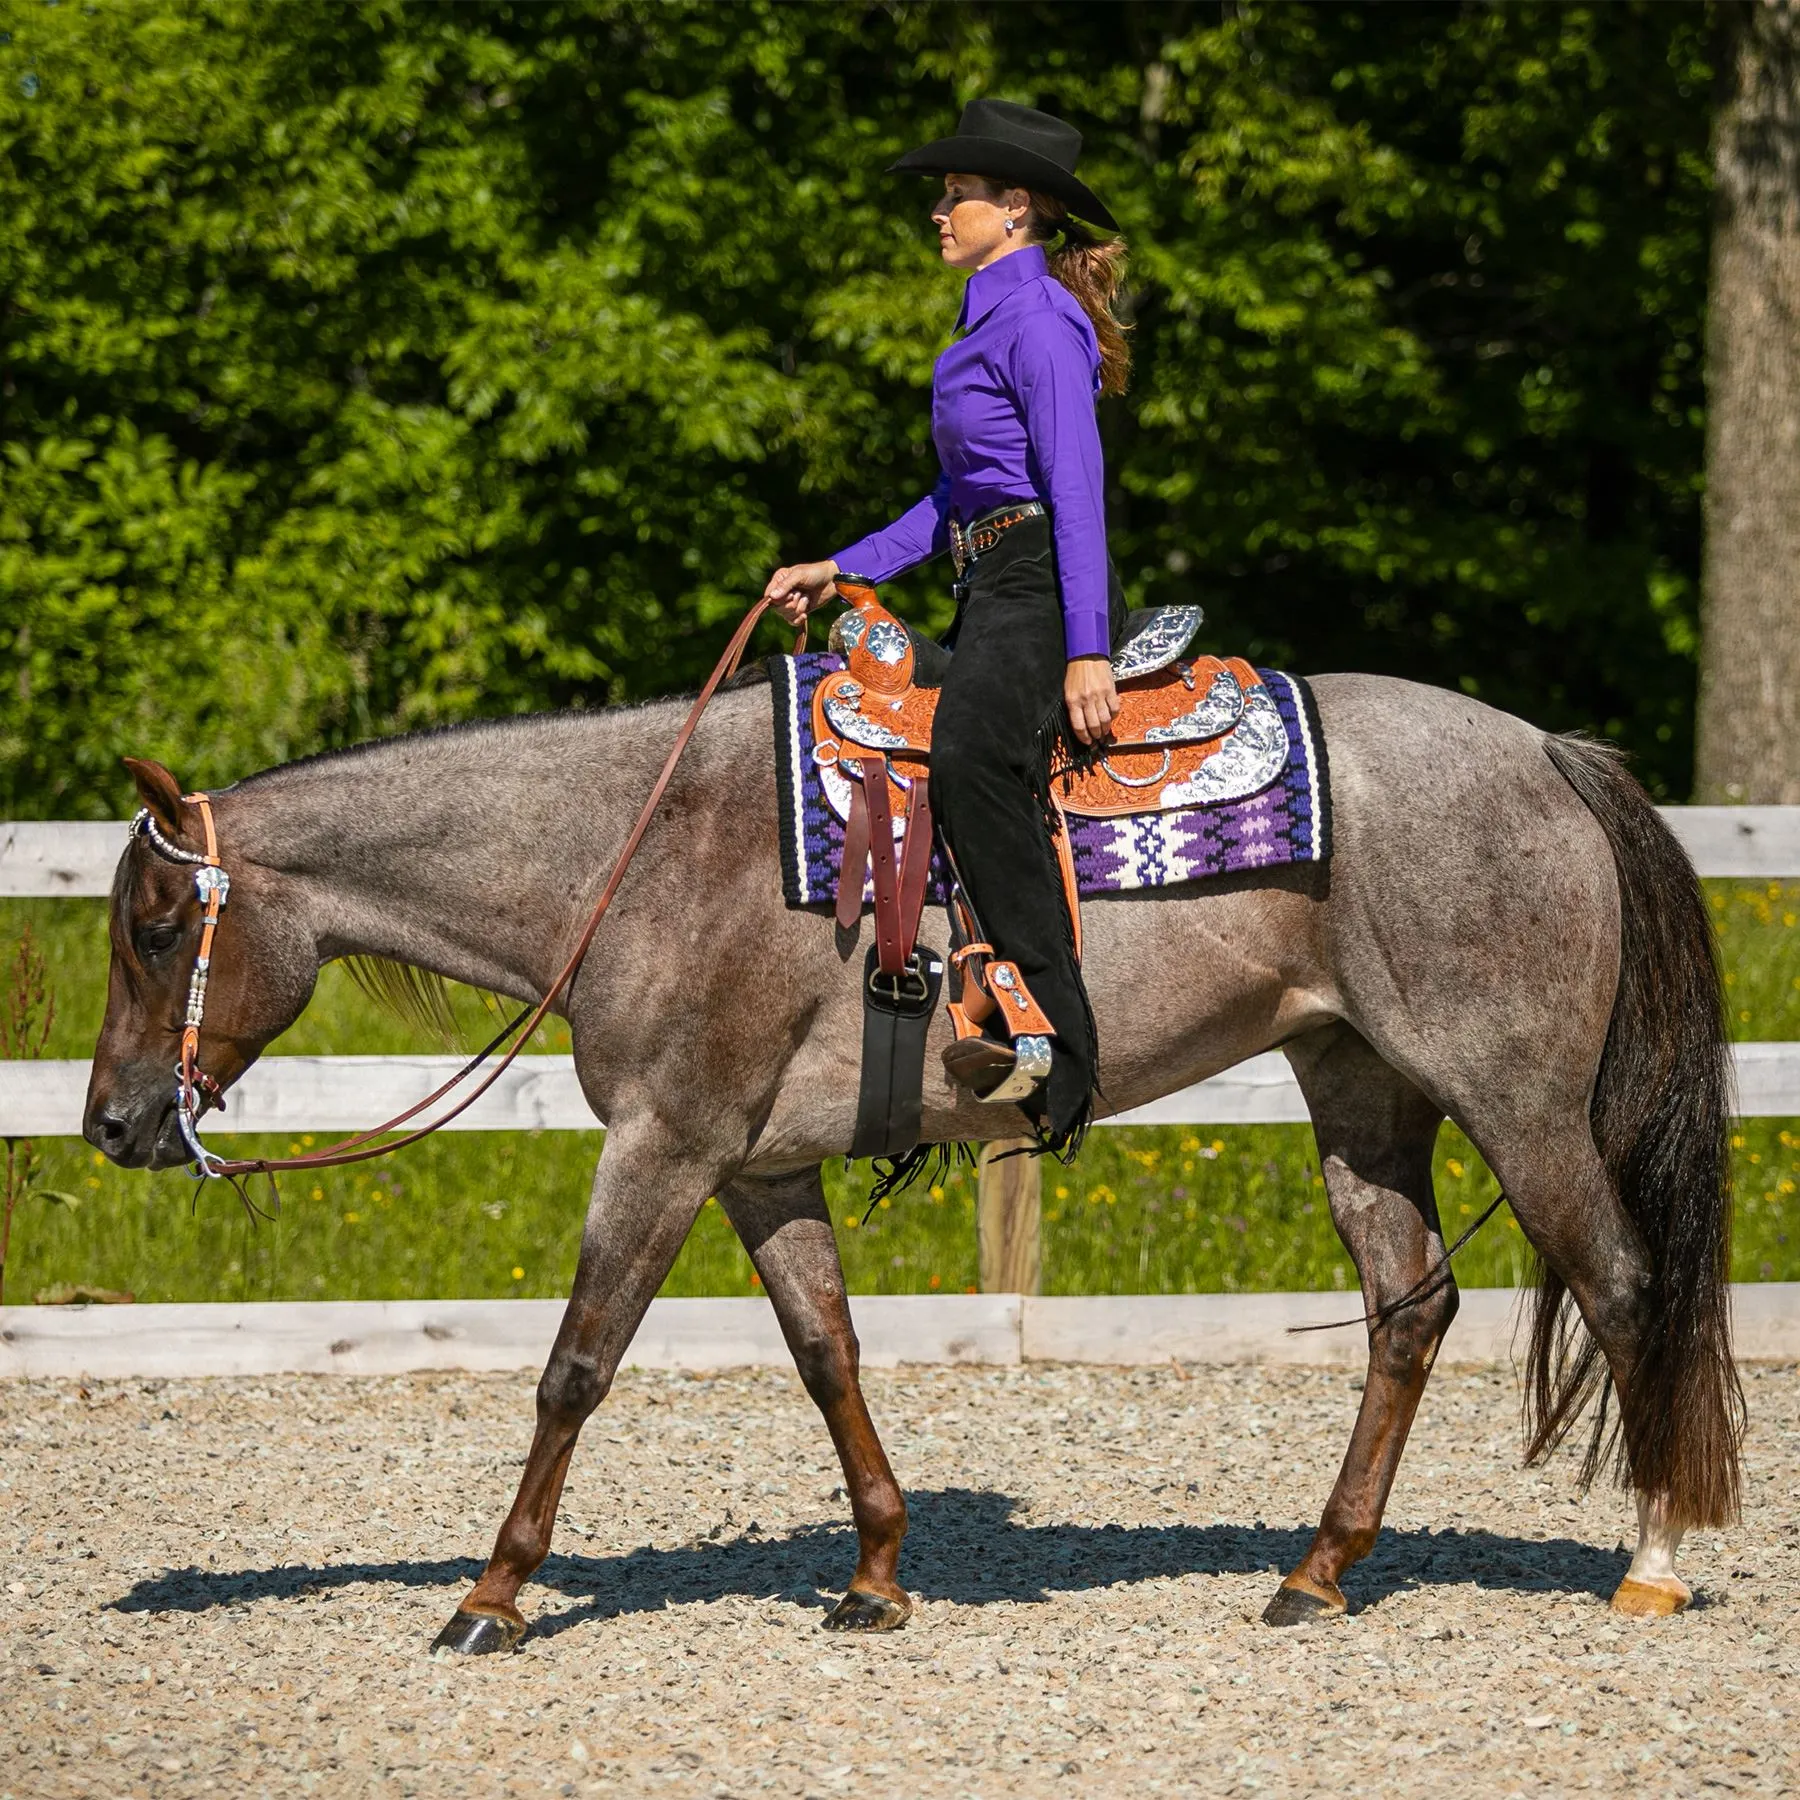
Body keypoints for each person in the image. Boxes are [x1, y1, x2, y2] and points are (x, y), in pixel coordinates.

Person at [763, 98, 1131, 1152]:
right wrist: (843, 567)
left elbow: (1074, 484)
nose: (938, 211)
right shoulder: (985, 319)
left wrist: (1088, 645)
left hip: (1032, 588)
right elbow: (951, 498)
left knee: (969, 757)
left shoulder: (1039, 322)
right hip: (988, 576)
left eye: (954, 195)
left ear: (1014, 208)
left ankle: (1057, 1049)